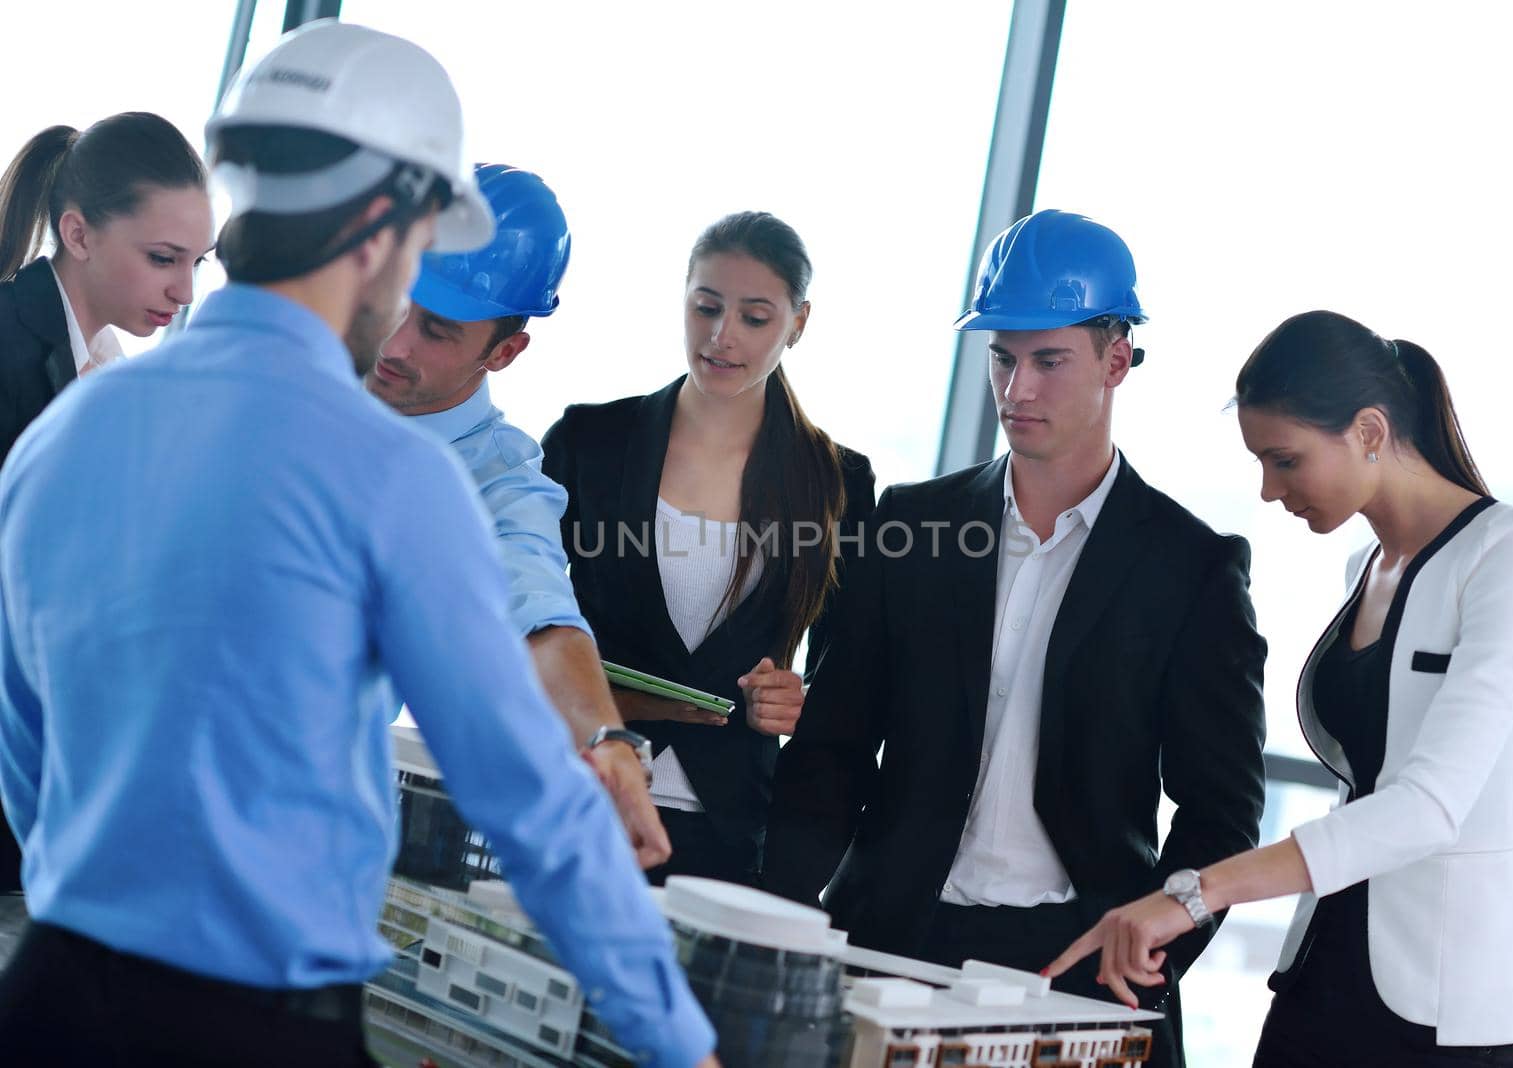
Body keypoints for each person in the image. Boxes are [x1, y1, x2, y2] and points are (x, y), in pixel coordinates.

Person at [0, 21, 715, 1068]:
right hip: (255, 1026)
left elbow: (21, 738)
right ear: (385, 227)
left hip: (49, 1001)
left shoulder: (68, 431)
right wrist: (677, 1043)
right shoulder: (393, 477)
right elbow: (525, 799)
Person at [762, 210, 1268, 1068]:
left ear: (1117, 359)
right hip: (892, 940)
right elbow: (833, 751)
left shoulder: (1191, 568)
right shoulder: (910, 527)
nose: (1017, 390)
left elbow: (1222, 810)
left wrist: (1150, 954)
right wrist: (777, 917)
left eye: (1048, 360)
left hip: (1072, 964)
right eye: (1002, 358)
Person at [1049, 310, 1513, 1068]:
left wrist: (1196, 892)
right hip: (1325, 969)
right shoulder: (1363, 565)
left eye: (1284, 461)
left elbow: (1429, 806)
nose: (1267, 490)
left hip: (1452, 1006)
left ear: (1368, 431)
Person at [541, 211, 877, 887]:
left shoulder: (838, 482)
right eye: (707, 308)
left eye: (755, 318)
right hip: (576, 795)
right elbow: (516, 621)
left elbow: (852, 684)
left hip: (731, 834)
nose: (722, 338)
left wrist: (796, 698)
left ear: (798, 323)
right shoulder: (589, 443)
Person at [367, 162, 668, 869]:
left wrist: (605, 742)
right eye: (396, 302)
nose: (396, 343)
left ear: (504, 351)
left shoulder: (496, 481)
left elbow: (538, 615)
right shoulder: (294, 370)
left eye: (437, 330)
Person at [0, 111, 211, 894]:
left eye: (197, 262)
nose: (184, 289)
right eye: (162, 258)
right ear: (78, 234)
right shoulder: (9, 349)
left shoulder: (112, 370)